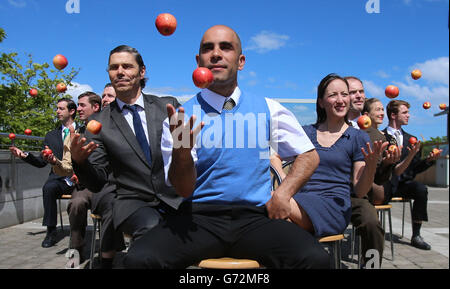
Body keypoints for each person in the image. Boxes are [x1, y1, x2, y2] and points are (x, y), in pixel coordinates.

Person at [123, 25, 329, 269]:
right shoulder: (181, 117)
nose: (216, 54)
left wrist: (283, 194)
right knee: (138, 260)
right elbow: (183, 188)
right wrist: (181, 153)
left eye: (226, 47)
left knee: (316, 259)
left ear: (241, 61)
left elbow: (309, 155)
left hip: (256, 218)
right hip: (197, 218)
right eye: (208, 48)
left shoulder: (270, 109)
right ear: (198, 61)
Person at [71, 45, 182, 244]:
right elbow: (97, 182)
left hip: (176, 198)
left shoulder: (168, 107)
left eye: (127, 66)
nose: (120, 72)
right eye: (114, 67)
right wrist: (80, 162)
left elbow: (189, 152)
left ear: (141, 71)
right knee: (154, 232)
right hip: (133, 203)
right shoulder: (98, 124)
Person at [271, 74, 386, 245]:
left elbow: (360, 191)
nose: (340, 100)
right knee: (277, 223)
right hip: (297, 201)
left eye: (344, 94)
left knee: (269, 206)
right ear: (321, 102)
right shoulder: (305, 133)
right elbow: (273, 154)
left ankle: (370, 263)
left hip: (333, 206)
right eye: (333, 95)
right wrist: (285, 183)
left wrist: (370, 166)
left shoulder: (358, 137)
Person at [9, 98, 77, 248]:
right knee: (49, 187)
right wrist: (24, 155)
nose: (57, 111)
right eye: (57, 108)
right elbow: (41, 162)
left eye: (61, 108)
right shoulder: (50, 136)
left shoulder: (85, 131)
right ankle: (51, 231)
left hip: (81, 178)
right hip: (60, 179)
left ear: (72, 111)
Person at [383, 100, 441, 250]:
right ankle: (371, 231)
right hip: (385, 184)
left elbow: (414, 169)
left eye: (408, 112)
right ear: (393, 115)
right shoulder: (380, 137)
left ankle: (416, 235)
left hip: (403, 185)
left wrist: (429, 161)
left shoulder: (412, 140)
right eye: (405, 112)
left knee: (421, 189)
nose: (409, 115)